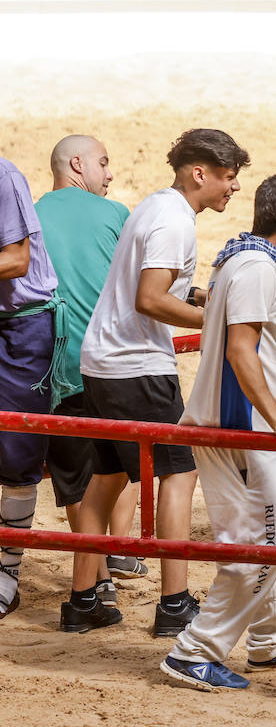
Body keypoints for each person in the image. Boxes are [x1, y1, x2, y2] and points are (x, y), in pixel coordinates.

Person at [64, 128, 249, 635]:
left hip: (101, 361)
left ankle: (82, 600)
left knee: (106, 478)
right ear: (199, 172)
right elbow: (149, 298)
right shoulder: (175, 222)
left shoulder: (154, 206)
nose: (232, 188)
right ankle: (174, 603)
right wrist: (217, 324)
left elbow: (149, 289)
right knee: (179, 471)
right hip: (136, 365)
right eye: (228, 178)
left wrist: (194, 301)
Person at [161, 173, 276, 692]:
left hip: (246, 424)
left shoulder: (251, 261)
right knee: (263, 545)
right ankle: (194, 651)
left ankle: (269, 636)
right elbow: (241, 350)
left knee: (274, 531)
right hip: (239, 428)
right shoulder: (258, 269)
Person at [35, 135, 143, 609]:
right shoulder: (116, 214)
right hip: (110, 363)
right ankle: (106, 564)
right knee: (118, 463)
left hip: (51, 368)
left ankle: (98, 574)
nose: (111, 173)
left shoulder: (31, 215)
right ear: (77, 164)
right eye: (104, 162)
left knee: (76, 478)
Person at [0, 156, 63, 619]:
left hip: (22, 327)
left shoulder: (3, 176)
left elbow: (16, 259)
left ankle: (7, 573)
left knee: (18, 453)